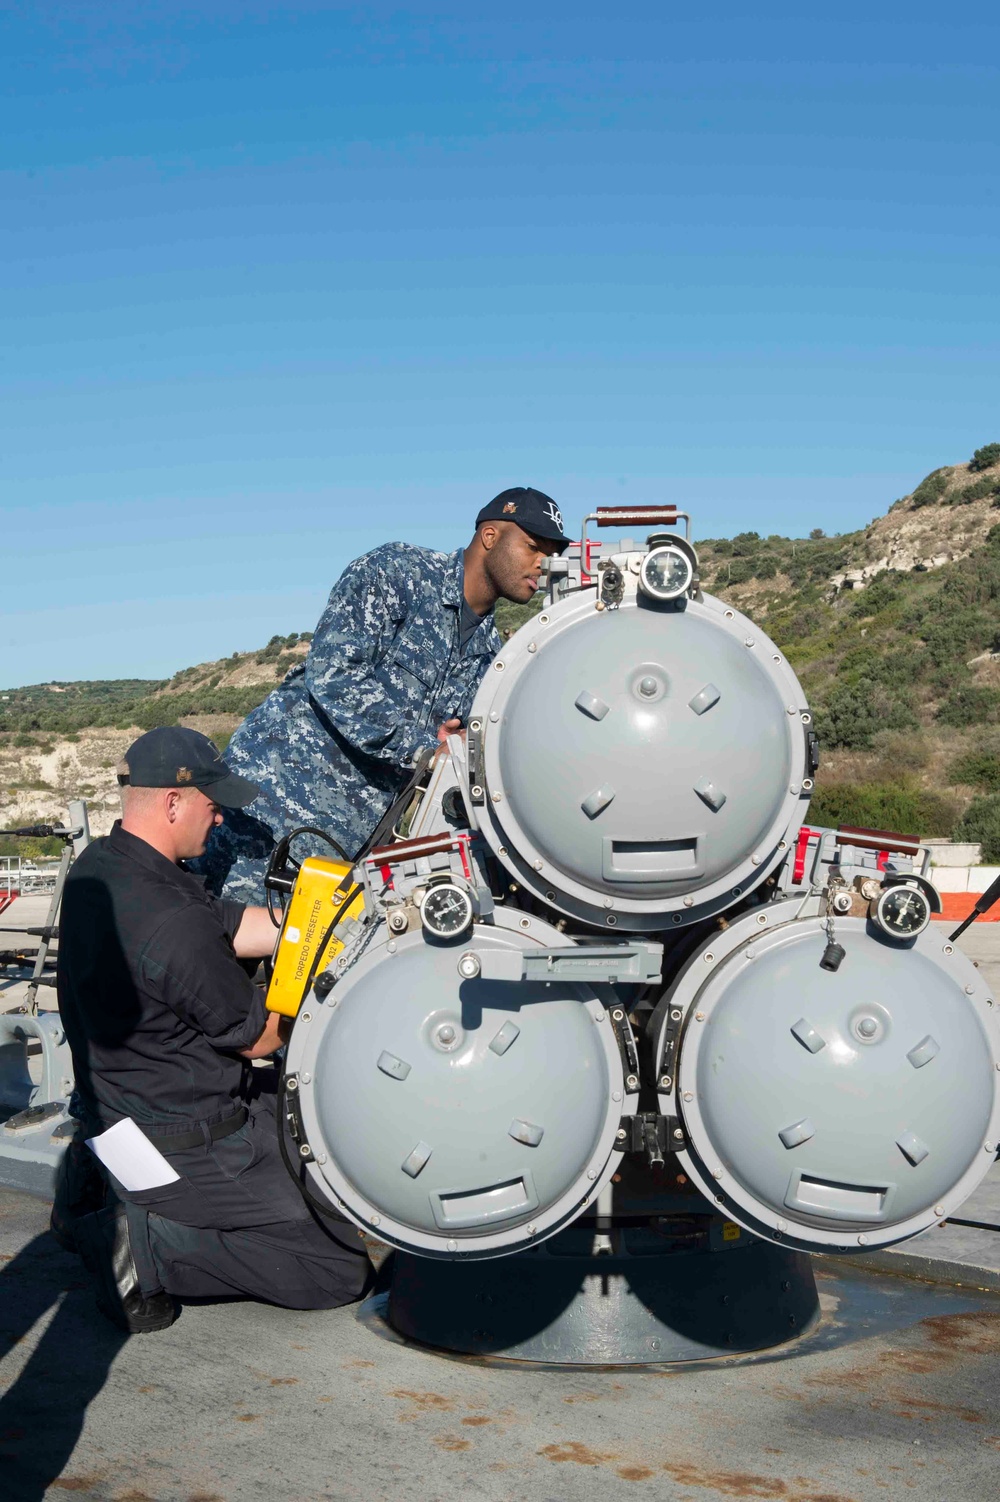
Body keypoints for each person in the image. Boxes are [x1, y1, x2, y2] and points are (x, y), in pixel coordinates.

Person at [57, 726, 370, 1334]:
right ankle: (143, 1246)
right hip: (187, 1136)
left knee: (315, 1155)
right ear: (173, 802)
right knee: (336, 1265)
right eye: (212, 803)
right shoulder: (169, 919)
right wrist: (317, 976)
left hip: (124, 1110)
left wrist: (322, 919)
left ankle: (91, 1188)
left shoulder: (110, 867)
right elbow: (260, 1038)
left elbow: (231, 925)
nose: (221, 819)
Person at [192, 487, 569, 903]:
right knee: (207, 941)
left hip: (342, 846)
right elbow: (333, 674)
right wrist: (427, 748)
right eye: (533, 547)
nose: (543, 563)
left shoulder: (490, 656)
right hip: (267, 812)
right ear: (491, 536)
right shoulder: (398, 573)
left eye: (550, 553)